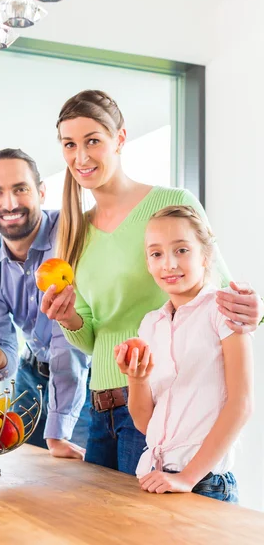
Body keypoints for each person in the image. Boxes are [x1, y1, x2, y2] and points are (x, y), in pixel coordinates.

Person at [41, 89, 263, 474]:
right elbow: (92, 337)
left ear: (120, 139)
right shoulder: (76, 228)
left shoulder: (171, 202)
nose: (81, 157)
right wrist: (68, 319)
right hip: (100, 407)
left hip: (154, 404)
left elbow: (223, 295)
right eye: (69, 144)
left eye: (93, 141)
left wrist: (254, 311)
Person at [114, 205, 254, 503]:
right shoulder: (151, 324)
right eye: (156, 254)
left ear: (205, 256)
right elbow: (144, 421)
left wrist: (188, 477)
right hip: (157, 477)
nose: (168, 264)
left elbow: (241, 405)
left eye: (181, 250)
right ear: (148, 263)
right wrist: (136, 379)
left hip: (204, 483)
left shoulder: (224, 310)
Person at [0, 148, 91, 459]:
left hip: (88, 380)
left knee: (87, 487)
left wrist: (58, 430)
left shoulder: (73, 237)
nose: (10, 204)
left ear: (41, 192)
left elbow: (68, 344)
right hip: (31, 379)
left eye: (20, 189)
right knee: (24, 482)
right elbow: (4, 344)